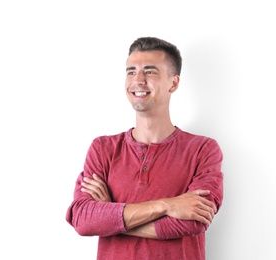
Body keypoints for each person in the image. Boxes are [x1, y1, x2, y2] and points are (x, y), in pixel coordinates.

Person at [66, 36, 224, 260]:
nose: (138, 80)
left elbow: (192, 222)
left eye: (150, 71)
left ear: (174, 83)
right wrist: (167, 205)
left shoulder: (203, 149)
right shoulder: (102, 148)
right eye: (131, 71)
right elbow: (82, 219)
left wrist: (110, 214)